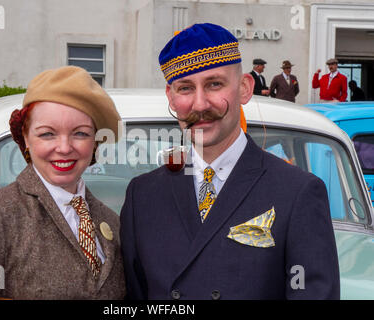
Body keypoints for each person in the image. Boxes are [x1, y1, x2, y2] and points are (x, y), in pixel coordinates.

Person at [120, 23, 340, 300]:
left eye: (214, 84)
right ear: (171, 97)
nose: (200, 105)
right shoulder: (143, 196)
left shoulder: (298, 192)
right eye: (185, 88)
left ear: (245, 88)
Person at [0, 66, 126, 299]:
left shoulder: (110, 221)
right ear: (26, 138)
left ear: (95, 142)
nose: (65, 147)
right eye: (47, 134)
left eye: (80, 133)